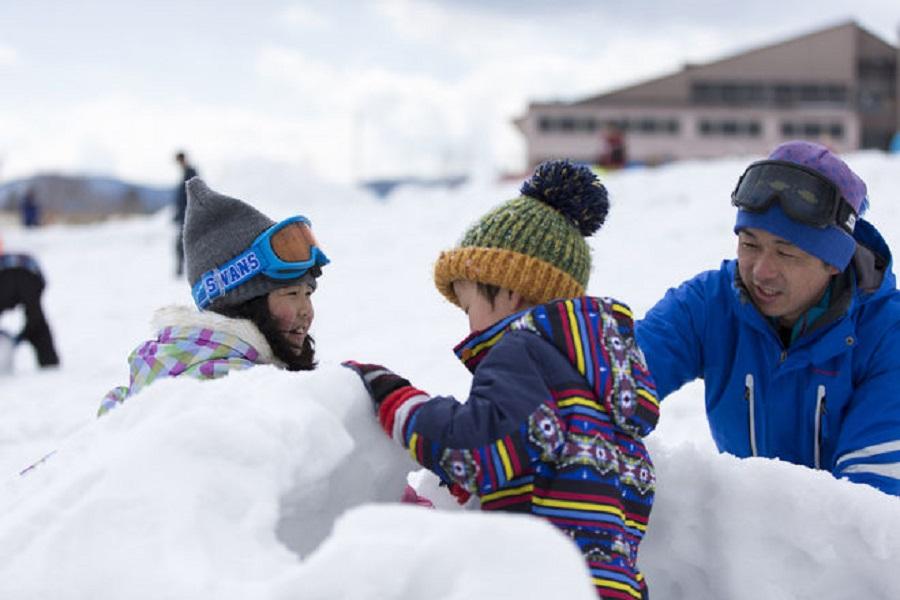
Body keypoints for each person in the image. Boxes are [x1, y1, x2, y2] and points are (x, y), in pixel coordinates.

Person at [344, 160, 660, 599]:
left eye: (469, 303)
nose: (468, 324)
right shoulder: (603, 385)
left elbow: (479, 445)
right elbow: (554, 457)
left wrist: (394, 397)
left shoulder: (521, 350)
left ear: (511, 290)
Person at [635, 140, 900, 497]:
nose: (761, 271)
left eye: (786, 252)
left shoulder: (887, 334)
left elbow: (870, 503)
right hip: (743, 541)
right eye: (750, 244)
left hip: (836, 547)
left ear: (834, 264)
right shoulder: (708, 305)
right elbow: (618, 382)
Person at [98, 178, 329, 416]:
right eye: (291, 294)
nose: (306, 310)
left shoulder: (175, 364)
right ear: (242, 303)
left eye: (308, 294)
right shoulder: (234, 387)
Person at [0, 251, 60, 368]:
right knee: (38, 325)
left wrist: (19, 338)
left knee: (37, 325)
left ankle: (50, 367)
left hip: (18, 273)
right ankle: (50, 364)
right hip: (31, 272)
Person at [173, 151, 199, 277]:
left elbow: (195, 194)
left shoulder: (191, 173)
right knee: (182, 244)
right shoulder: (185, 174)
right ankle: (183, 269)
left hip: (189, 215)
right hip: (184, 215)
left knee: (183, 244)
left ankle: (186, 269)